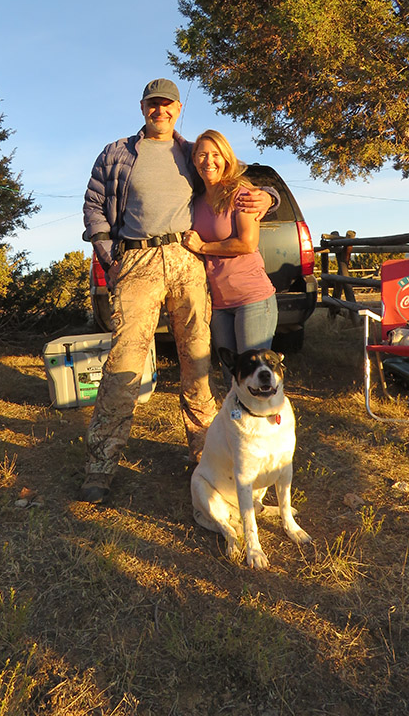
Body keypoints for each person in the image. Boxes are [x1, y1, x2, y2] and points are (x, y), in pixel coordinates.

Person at [80, 78, 278, 504]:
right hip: (137, 261)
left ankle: (206, 456)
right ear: (142, 107)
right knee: (125, 362)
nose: (161, 111)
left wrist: (268, 196)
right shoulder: (117, 153)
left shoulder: (192, 153)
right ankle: (101, 464)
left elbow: (234, 177)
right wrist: (110, 256)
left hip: (187, 261)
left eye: (168, 104)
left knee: (198, 363)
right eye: (153, 104)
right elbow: (94, 205)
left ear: (177, 109)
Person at [183, 130, 278, 385]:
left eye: (216, 154)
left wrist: (203, 247)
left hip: (252, 299)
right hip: (219, 304)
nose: (209, 161)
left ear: (226, 159)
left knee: (255, 377)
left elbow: (247, 244)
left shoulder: (241, 194)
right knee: (232, 378)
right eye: (202, 155)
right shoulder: (196, 201)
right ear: (194, 159)